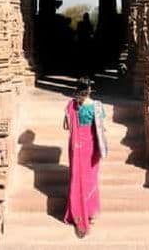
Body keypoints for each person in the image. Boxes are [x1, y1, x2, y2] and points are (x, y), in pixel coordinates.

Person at [63, 77, 107, 238]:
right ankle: (89, 212)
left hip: (76, 147)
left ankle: (75, 213)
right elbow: (101, 128)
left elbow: (66, 126)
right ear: (89, 90)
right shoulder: (97, 106)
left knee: (77, 178)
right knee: (90, 178)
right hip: (90, 146)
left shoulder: (71, 105)